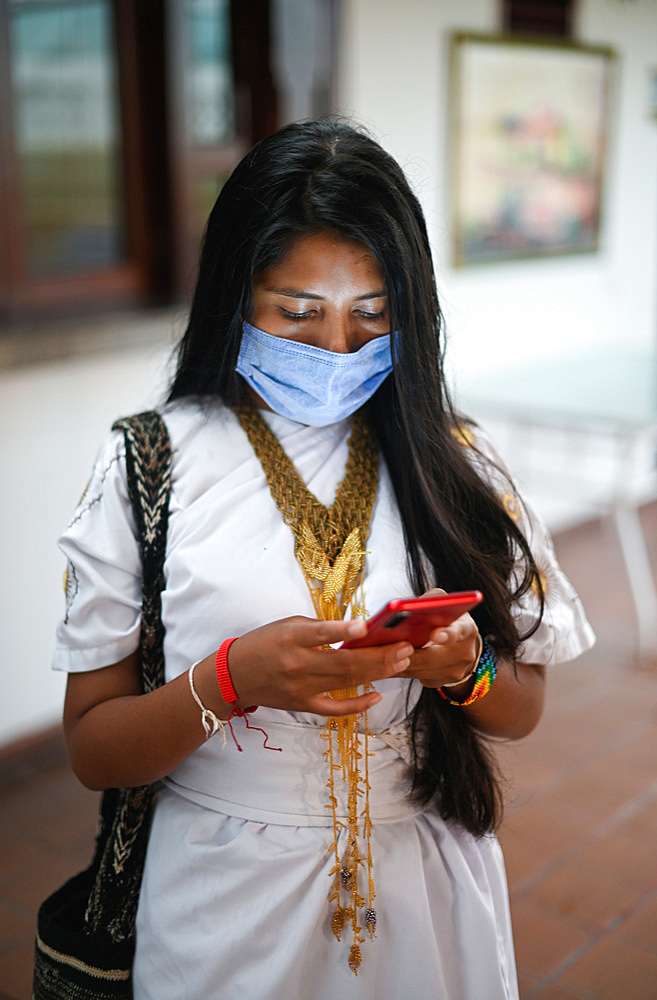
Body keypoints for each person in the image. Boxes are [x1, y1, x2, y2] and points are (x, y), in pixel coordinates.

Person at [53, 118, 594, 1000]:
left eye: (371, 316)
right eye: (296, 314)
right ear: (235, 297)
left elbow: (520, 708)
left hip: (426, 894)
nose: (337, 349)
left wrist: (464, 671)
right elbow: (93, 750)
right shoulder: (148, 466)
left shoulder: (457, 462)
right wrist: (230, 680)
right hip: (223, 905)